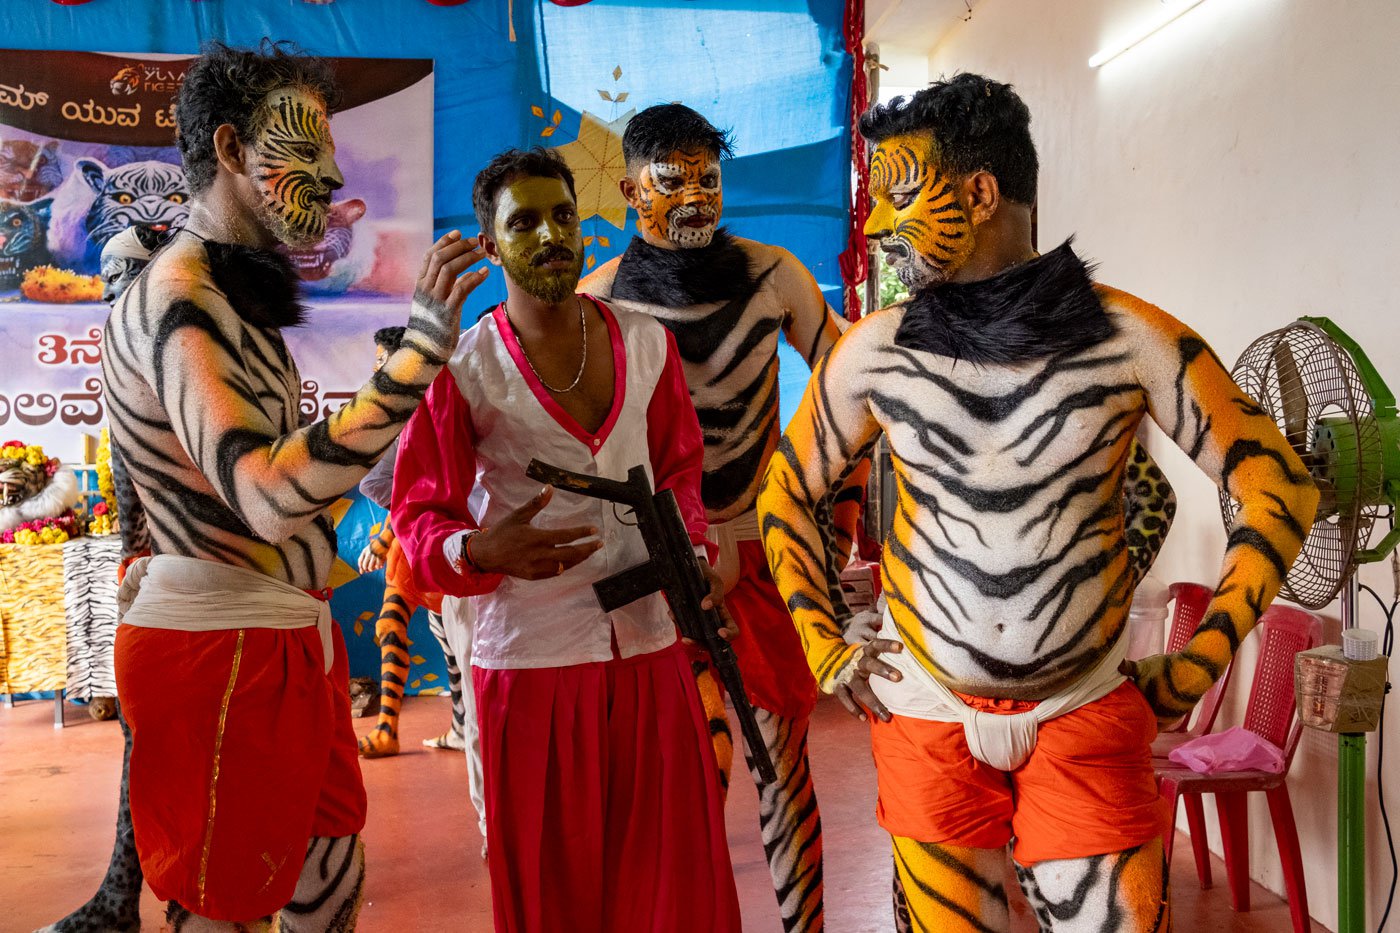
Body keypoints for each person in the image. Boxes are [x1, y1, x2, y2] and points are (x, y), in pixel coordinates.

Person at [757, 73, 1318, 932]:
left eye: (900, 196)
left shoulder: (1128, 339)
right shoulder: (875, 354)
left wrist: (1200, 661)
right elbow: (785, 492)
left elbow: (1278, 482)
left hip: (1081, 711)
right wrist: (823, 646)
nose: (875, 226)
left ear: (979, 193)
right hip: (927, 712)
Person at [100, 40, 487, 930]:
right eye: (306, 151)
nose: (332, 171)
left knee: (330, 878)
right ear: (233, 151)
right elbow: (265, 493)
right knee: (223, 906)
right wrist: (420, 352)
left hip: (275, 635)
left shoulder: (230, 299)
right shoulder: (178, 296)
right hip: (216, 651)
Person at [393, 147, 740, 933]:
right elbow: (418, 521)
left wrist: (695, 557)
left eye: (562, 215)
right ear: (491, 245)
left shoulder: (647, 343)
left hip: (651, 649)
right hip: (531, 666)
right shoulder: (462, 369)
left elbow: (681, 472)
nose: (551, 234)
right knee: (557, 893)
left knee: (673, 885)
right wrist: (479, 551)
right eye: (524, 222)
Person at [578, 102, 860, 932]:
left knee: (784, 761)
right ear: (632, 189)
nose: (697, 197)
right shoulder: (601, 302)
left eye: (710, 177)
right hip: (666, 564)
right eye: (675, 181)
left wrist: (832, 512)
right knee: (696, 768)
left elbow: (853, 388)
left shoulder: (777, 275)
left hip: (766, 551)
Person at [36, 223, 172, 933]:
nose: (115, 299)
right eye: (109, 283)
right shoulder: (139, 362)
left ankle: (142, 894)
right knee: (148, 743)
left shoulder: (178, 359)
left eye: (127, 281)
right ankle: (131, 893)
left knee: (158, 745)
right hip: (167, 593)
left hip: (200, 597)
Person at [357, 325, 489, 852]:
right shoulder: (403, 410)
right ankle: (455, 736)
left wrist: (388, 534)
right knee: (453, 653)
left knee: (452, 653)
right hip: (439, 546)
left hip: (447, 547)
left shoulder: (430, 400)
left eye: (382, 358)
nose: (376, 367)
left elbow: (421, 482)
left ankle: (396, 727)